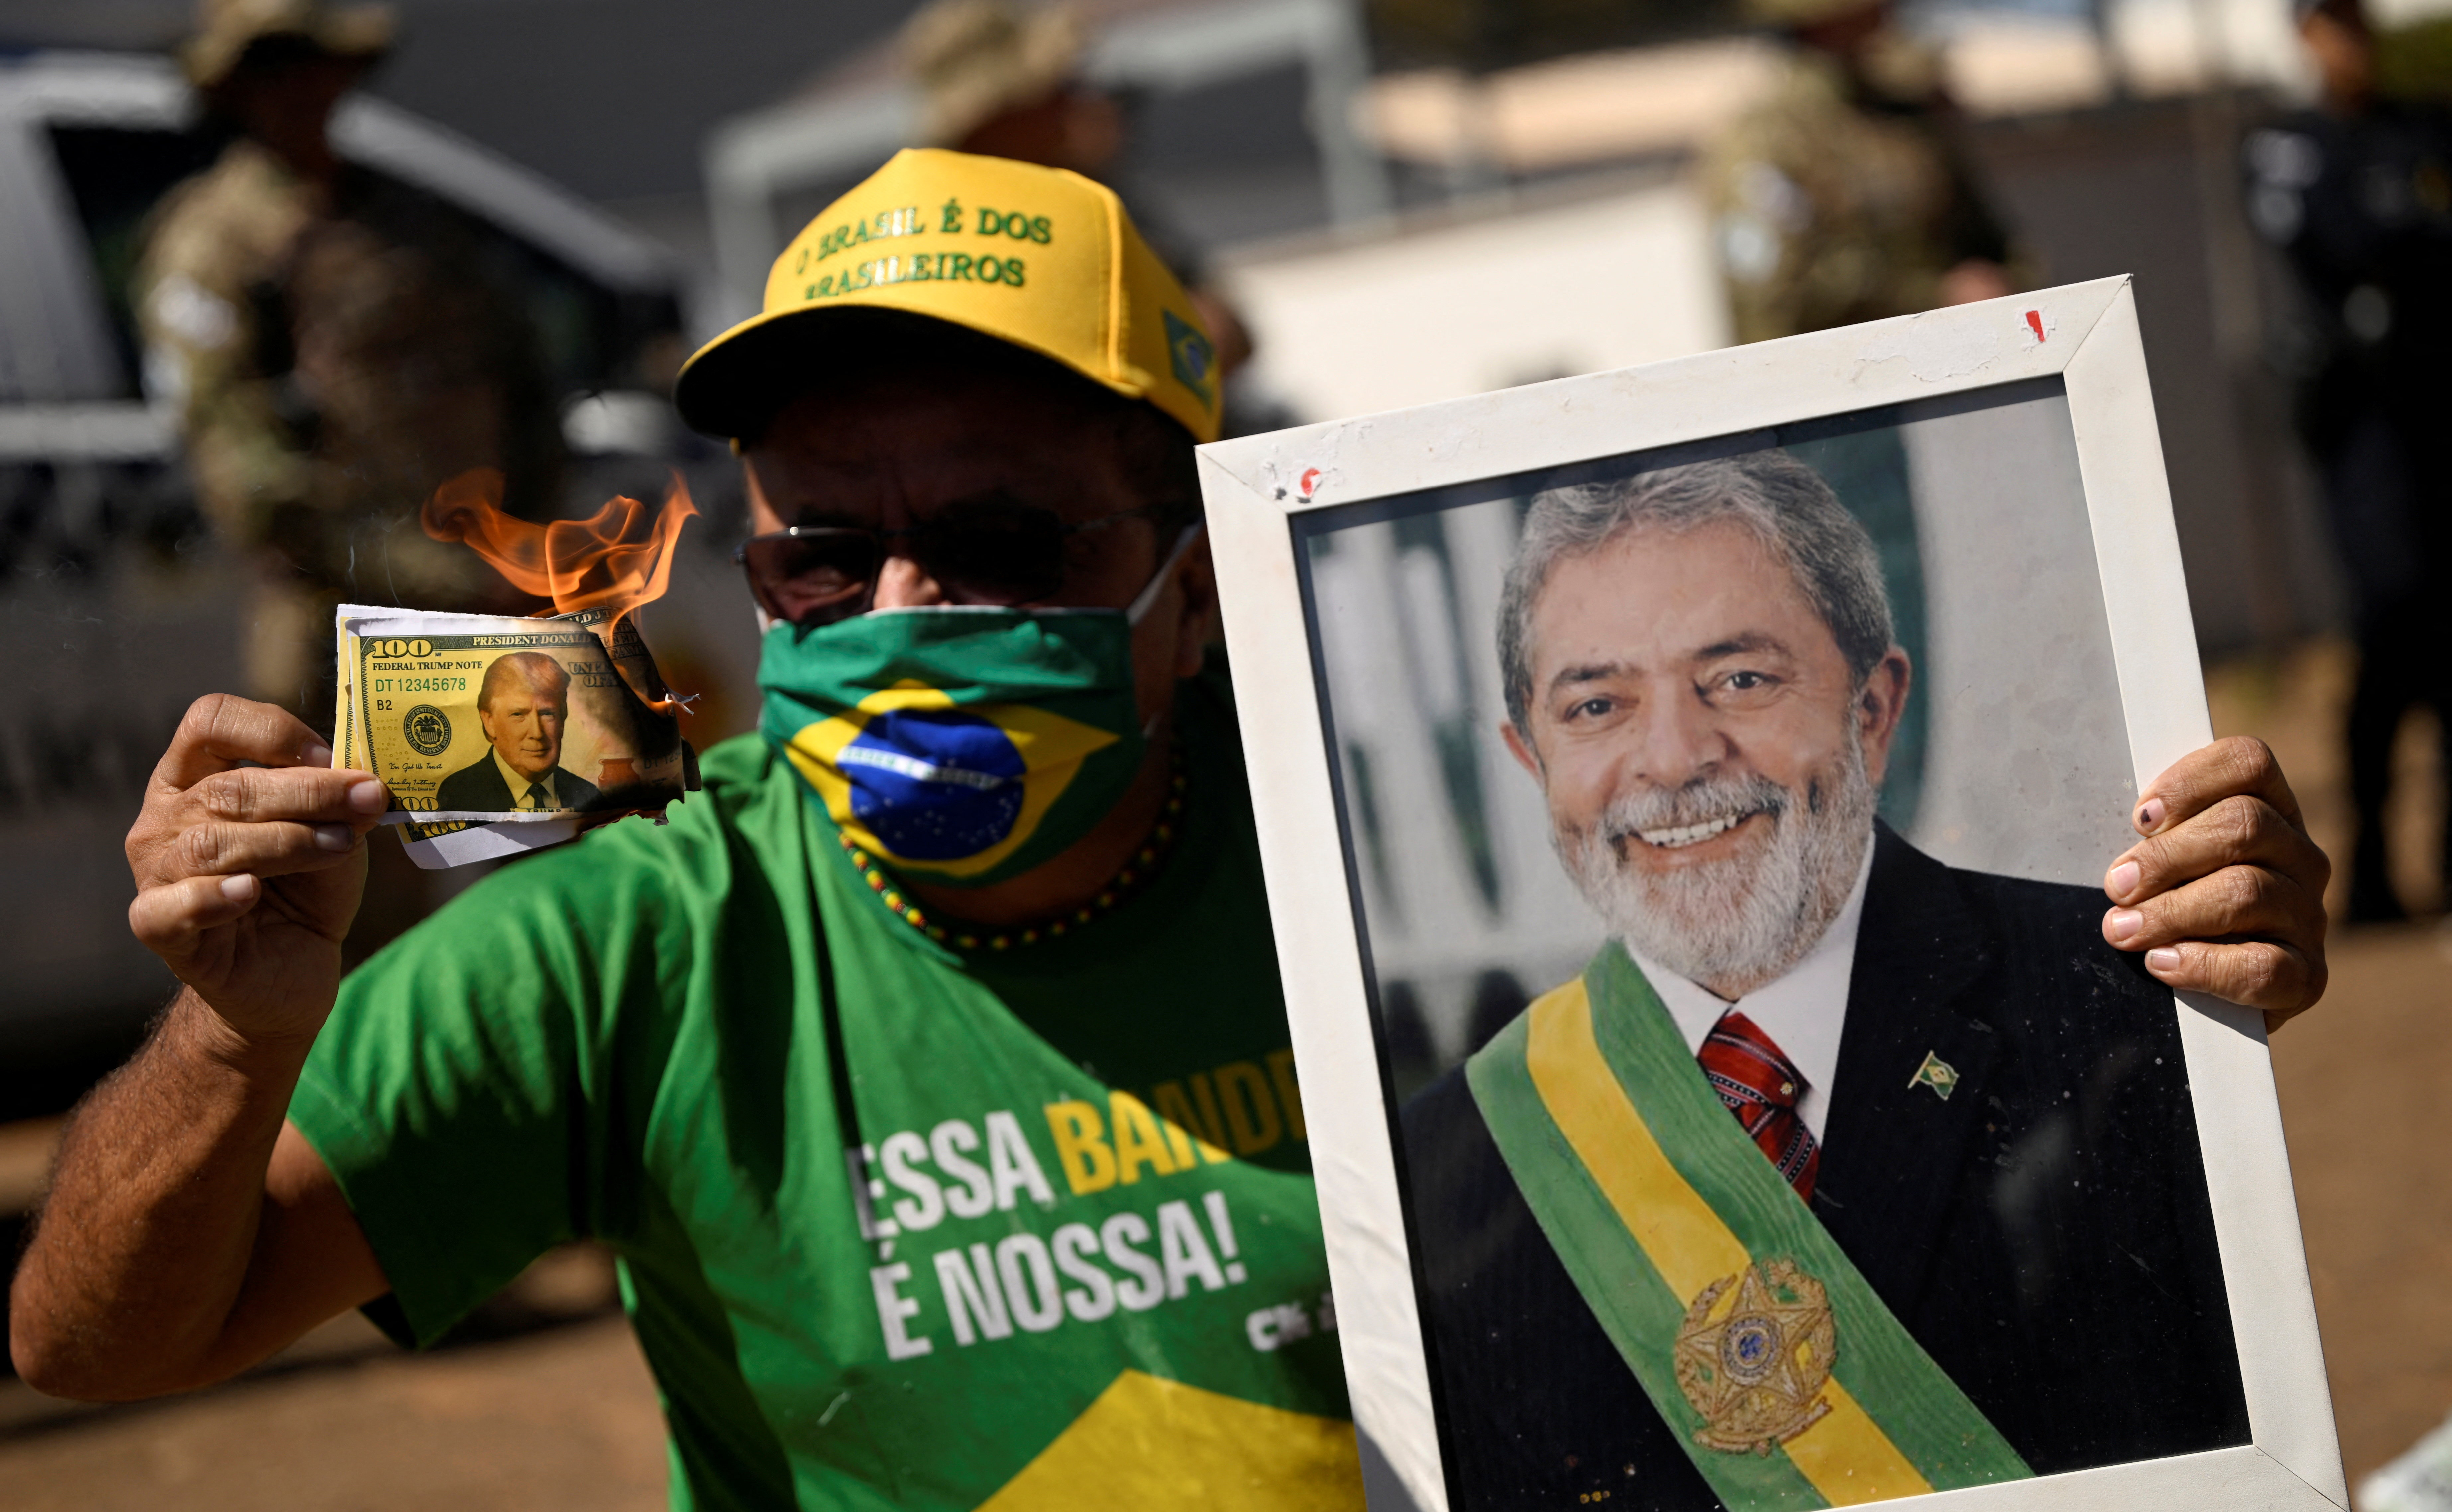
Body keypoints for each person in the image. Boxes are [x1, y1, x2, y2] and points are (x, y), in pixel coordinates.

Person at [12, 149, 2327, 1512]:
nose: (901, 613)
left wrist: (2172, 948)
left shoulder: (1425, 853)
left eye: (1006, 534)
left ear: (1194, 575)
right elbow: (96, 1347)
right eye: (819, 552)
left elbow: (1909, 1122)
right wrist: (230, 1039)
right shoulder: (648, 933)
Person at [1401, 455, 2313, 1509]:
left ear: (1873, 709)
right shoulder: (1440, 1177)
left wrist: (2227, 1004)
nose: (1673, 756)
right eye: (1596, 704)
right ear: (1531, 764)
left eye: (1739, 678)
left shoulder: (2122, 993)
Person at [135, 0, 561, 721]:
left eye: (308, 55)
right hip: (340, 641)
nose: (294, 84)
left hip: (487, 619)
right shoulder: (212, 245)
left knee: (517, 844)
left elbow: (523, 378)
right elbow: (248, 481)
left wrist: (521, 552)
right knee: (349, 838)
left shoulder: (420, 225)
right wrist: (435, 571)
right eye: (268, 62)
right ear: (231, 86)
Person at [2242, 0, 2452, 922]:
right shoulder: (2288, 141)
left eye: (2357, 15)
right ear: (2300, 32)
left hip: (2435, 411)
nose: (2349, 37)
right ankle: (2368, 862)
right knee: (2392, 621)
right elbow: (2333, 243)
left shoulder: (2419, 129)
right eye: (2328, 20)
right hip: (2361, 429)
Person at [901, 0, 1259, 394]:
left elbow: (1225, 336)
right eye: (1063, 88)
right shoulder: (943, 226)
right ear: (998, 118)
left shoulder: (1101, 202)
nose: (1087, 104)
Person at [1700, 0, 2023, 344]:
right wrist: (1930, 295)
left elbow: (1988, 247)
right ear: (1822, 10)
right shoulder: (1765, 143)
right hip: (1839, 402)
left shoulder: (1902, 119)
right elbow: (1773, 298)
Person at [433, 652, 602, 813]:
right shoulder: (459, 793)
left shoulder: (589, 794)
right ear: (489, 721)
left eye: (547, 714)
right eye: (519, 715)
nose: (537, 733)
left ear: (563, 718)